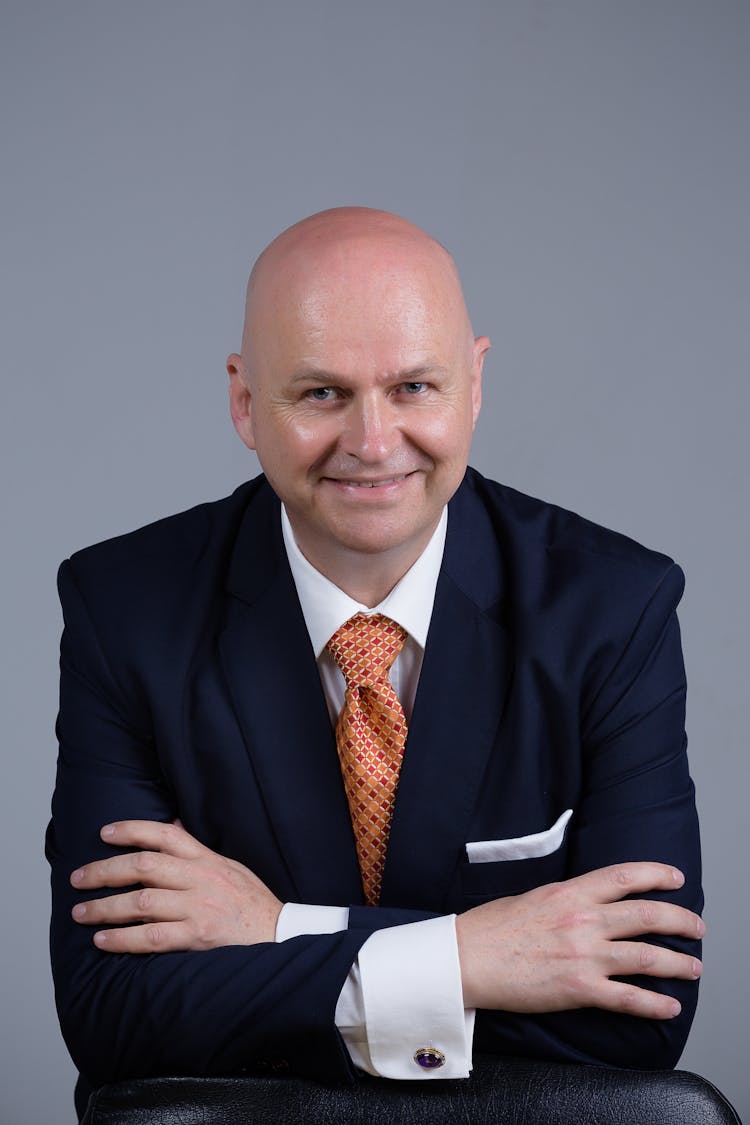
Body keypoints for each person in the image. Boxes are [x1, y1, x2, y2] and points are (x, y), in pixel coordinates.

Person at [47, 207, 703, 1119]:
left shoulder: (613, 609)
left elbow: (641, 1014)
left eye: (415, 388)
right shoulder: (125, 610)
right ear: (244, 400)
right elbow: (112, 1015)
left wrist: (276, 932)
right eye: (321, 393)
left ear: (474, 383)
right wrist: (480, 958)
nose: (373, 441)